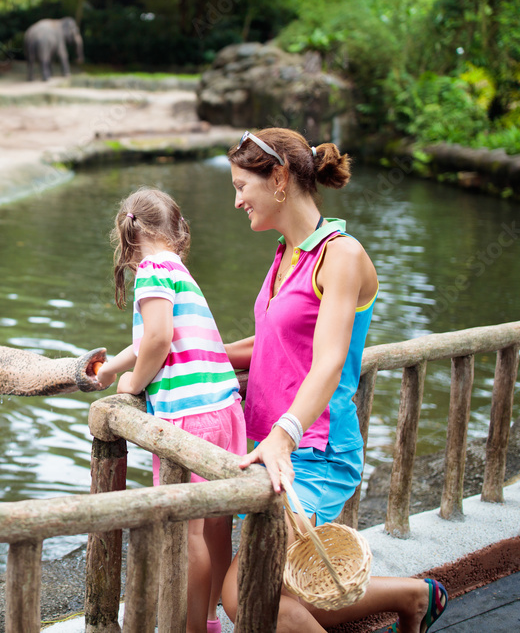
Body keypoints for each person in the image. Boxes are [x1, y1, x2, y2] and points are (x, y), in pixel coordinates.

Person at [219, 128, 447, 633]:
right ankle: (413, 597)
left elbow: (328, 359)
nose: (237, 200)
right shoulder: (286, 254)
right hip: (270, 446)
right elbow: (269, 346)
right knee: (285, 588)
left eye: (241, 186)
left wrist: (284, 435)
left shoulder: (340, 256)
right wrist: (192, 355)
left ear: (278, 179)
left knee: (243, 592)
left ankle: (413, 597)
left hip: (314, 450)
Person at [96, 187, 246, 633]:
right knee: (217, 523)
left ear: (128, 233)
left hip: (189, 418)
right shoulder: (176, 268)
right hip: (223, 408)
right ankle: (212, 617)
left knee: (188, 532)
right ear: (175, 230)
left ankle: (192, 628)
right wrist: (111, 369)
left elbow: (158, 341)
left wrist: (133, 383)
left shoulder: (151, 271)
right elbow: (151, 340)